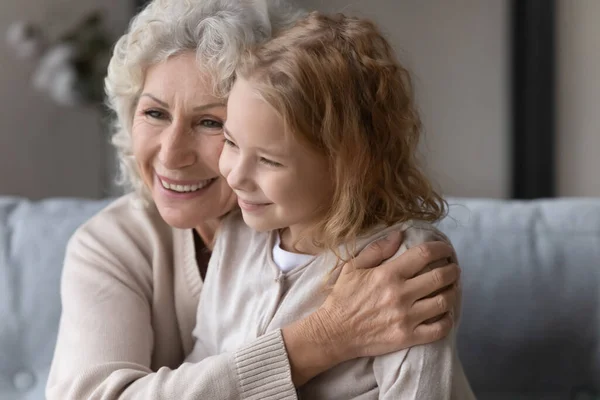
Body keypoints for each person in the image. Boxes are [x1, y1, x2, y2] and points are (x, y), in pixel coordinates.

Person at [46, 1, 461, 399]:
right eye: (154, 113)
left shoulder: (388, 254)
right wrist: (324, 337)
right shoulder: (115, 244)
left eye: (211, 122)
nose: (171, 155)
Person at [186, 10, 475, 399]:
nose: (235, 175)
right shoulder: (237, 234)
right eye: (232, 143)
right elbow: (202, 368)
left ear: (347, 166)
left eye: (269, 160)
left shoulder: (405, 262)